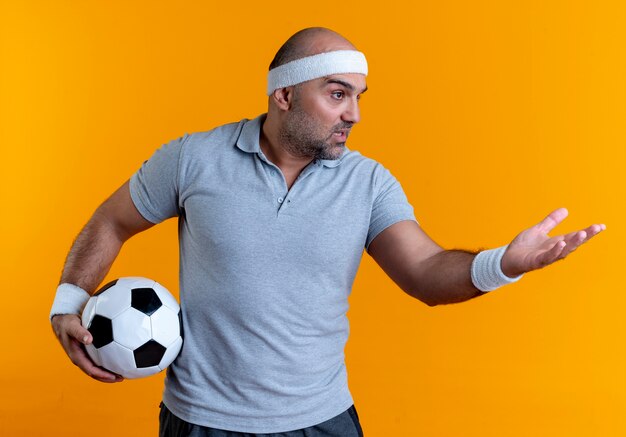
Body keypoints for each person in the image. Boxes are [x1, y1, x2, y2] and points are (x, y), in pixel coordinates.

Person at [50, 27, 606, 436]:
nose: (355, 114)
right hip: (202, 421)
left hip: (322, 421)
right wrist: (67, 306)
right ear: (283, 96)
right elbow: (111, 221)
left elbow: (424, 272)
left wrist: (504, 264)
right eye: (338, 94)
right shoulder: (193, 159)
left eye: (359, 97)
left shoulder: (369, 183)